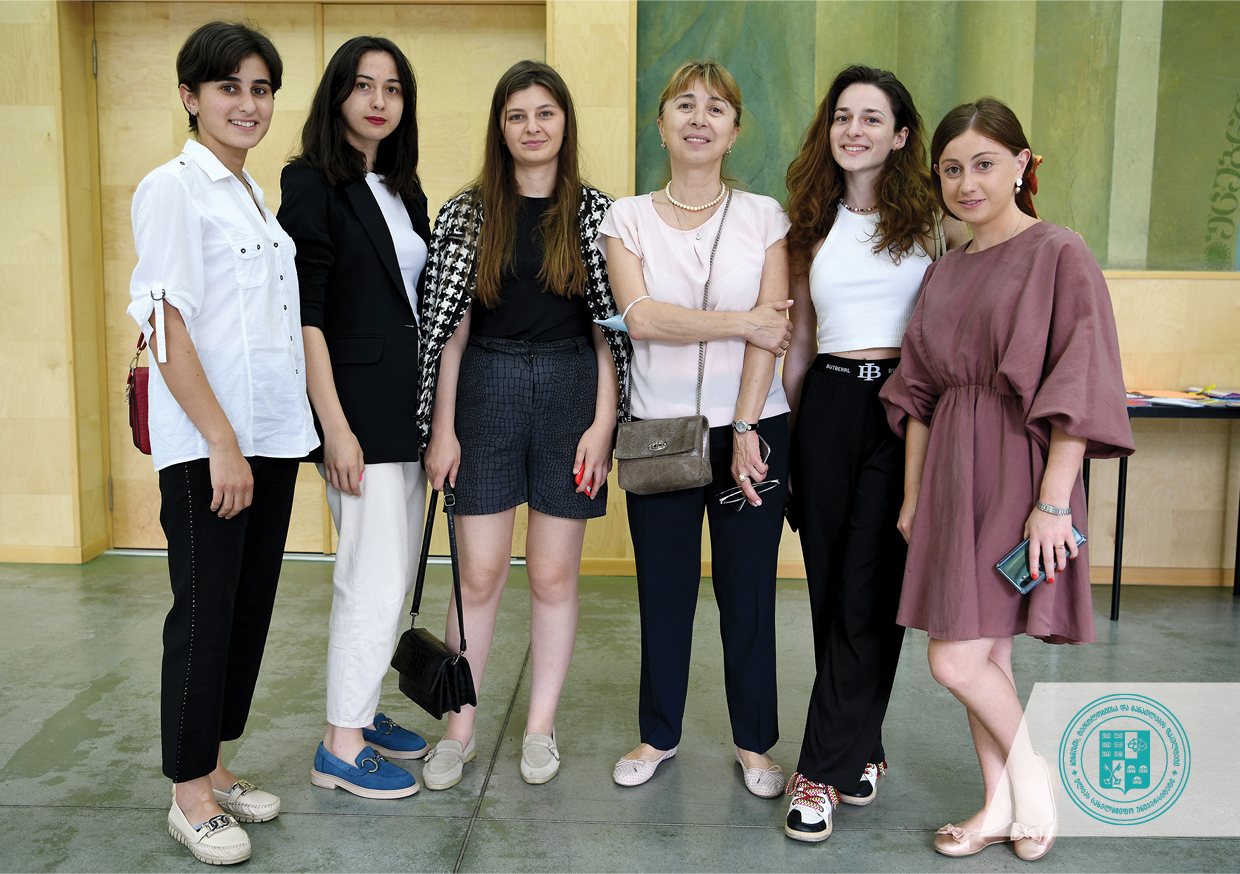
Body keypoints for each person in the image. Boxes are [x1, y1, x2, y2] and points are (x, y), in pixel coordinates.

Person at [879, 98, 1134, 860]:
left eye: (984, 164)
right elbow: (918, 395)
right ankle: (998, 806)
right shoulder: (945, 271)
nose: (967, 183)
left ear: (1022, 164)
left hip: (1023, 471)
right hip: (953, 475)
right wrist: (914, 497)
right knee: (986, 658)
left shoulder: (1060, 252)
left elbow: (1080, 382)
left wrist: (1053, 504)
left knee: (954, 659)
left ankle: (1033, 779)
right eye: (952, 169)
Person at [127, 21, 318, 866]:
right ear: (190, 96)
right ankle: (188, 794)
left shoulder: (251, 194)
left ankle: (211, 764)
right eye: (229, 87)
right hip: (213, 446)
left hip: (268, 436)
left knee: (247, 609)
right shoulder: (173, 188)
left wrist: (265, 439)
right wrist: (219, 441)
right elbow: (165, 323)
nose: (248, 104)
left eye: (261, 89)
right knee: (204, 615)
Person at [417, 60, 631, 789]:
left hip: (573, 392)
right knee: (477, 574)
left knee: (552, 573)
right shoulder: (468, 212)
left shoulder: (599, 214)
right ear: (500, 128)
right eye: (517, 116)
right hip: (485, 388)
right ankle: (460, 728)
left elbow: (610, 332)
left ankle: (540, 727)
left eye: (545, 113)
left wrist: (604, 424)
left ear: (565, 123)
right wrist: (442, 429)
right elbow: (448, 332)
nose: (532, 127)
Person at [779, 65, 968, 842]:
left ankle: (817, 773)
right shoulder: (810, 223)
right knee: (832, 593)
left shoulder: (934, 223)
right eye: (842, 116)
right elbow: (799, 344)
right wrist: (786, 441)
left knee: (871, 589)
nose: (853, 129)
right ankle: (864, 746)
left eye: (871, 118)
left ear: (899, 136)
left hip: (902, 412)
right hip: (825, 408)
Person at [599, 59, 794, 796]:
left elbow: (774, 332)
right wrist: (743, 321)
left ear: (735, 130)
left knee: (748, 592)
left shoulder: (765, 216)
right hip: (662, 429)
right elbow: (642, 318)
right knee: (665, 590)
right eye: (684, 104)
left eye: (716, 107)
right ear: (661, 124)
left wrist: (745, 423)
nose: (699, 118)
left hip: (753, 427)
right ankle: (658, 735)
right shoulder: (627, 218)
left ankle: (755, 744)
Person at [278, 36, 431, 800]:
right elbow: (303, 314)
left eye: (393, 88)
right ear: (337, 94)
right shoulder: (311, 182)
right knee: (369, 576)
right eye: (363, 85)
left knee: (391, 573)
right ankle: (341, 744)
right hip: (358, 418)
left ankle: (361, 712)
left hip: (407, 413)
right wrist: (333, 427)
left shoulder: (402, 188)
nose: (378, 100)